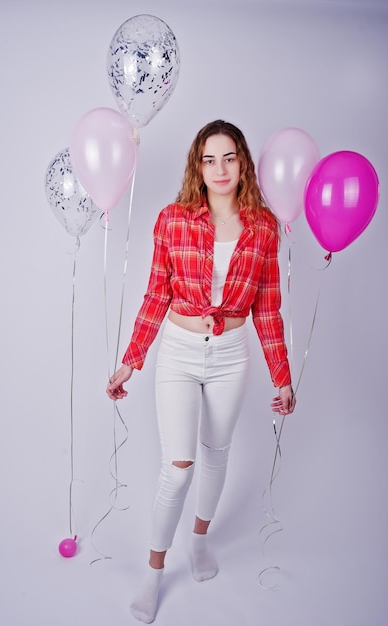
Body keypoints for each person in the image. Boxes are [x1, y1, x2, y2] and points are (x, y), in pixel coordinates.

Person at [106, 120, 295, 623]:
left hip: (232, 355)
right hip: (180, 353)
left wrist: (282, 375)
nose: (220, 169)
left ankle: (200, 539)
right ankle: (154, 569)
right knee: (179, 465)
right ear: (197, 165)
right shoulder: (173, 219)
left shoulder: (262, 227)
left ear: (243, 162)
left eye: (229, 157)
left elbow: (268, 309)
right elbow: (155, 295)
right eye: (209, 159)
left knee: (216, 454)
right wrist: (130, 361)